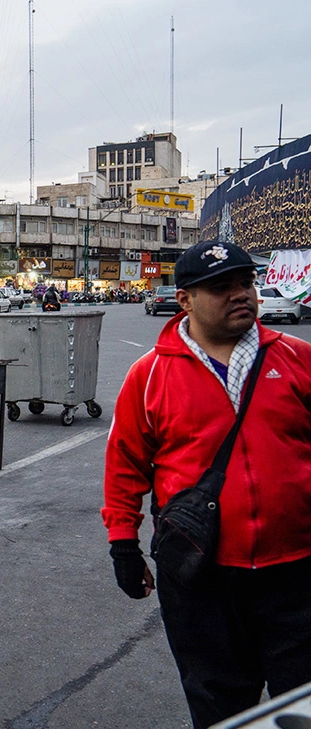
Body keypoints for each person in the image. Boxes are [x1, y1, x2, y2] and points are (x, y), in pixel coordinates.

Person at [102, 240, 311, 729]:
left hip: (297, 573)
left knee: (302, 708)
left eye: (246, 283)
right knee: (219, 705)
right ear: (186, 301)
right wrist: (123, 547)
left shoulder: (298, 359)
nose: (241, 295)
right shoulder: (149, 375)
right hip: (200, 577)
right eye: (221, 287)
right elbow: (125, 466)